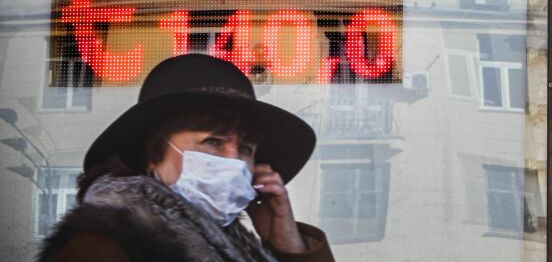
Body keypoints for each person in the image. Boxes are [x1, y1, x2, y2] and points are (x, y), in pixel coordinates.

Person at [39, 53, 335, 262]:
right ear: (151, 157)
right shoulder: (100, 248)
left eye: (245, 149)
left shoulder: (229, 245)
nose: (233, 160)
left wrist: (289, 244)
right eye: (212, 142)